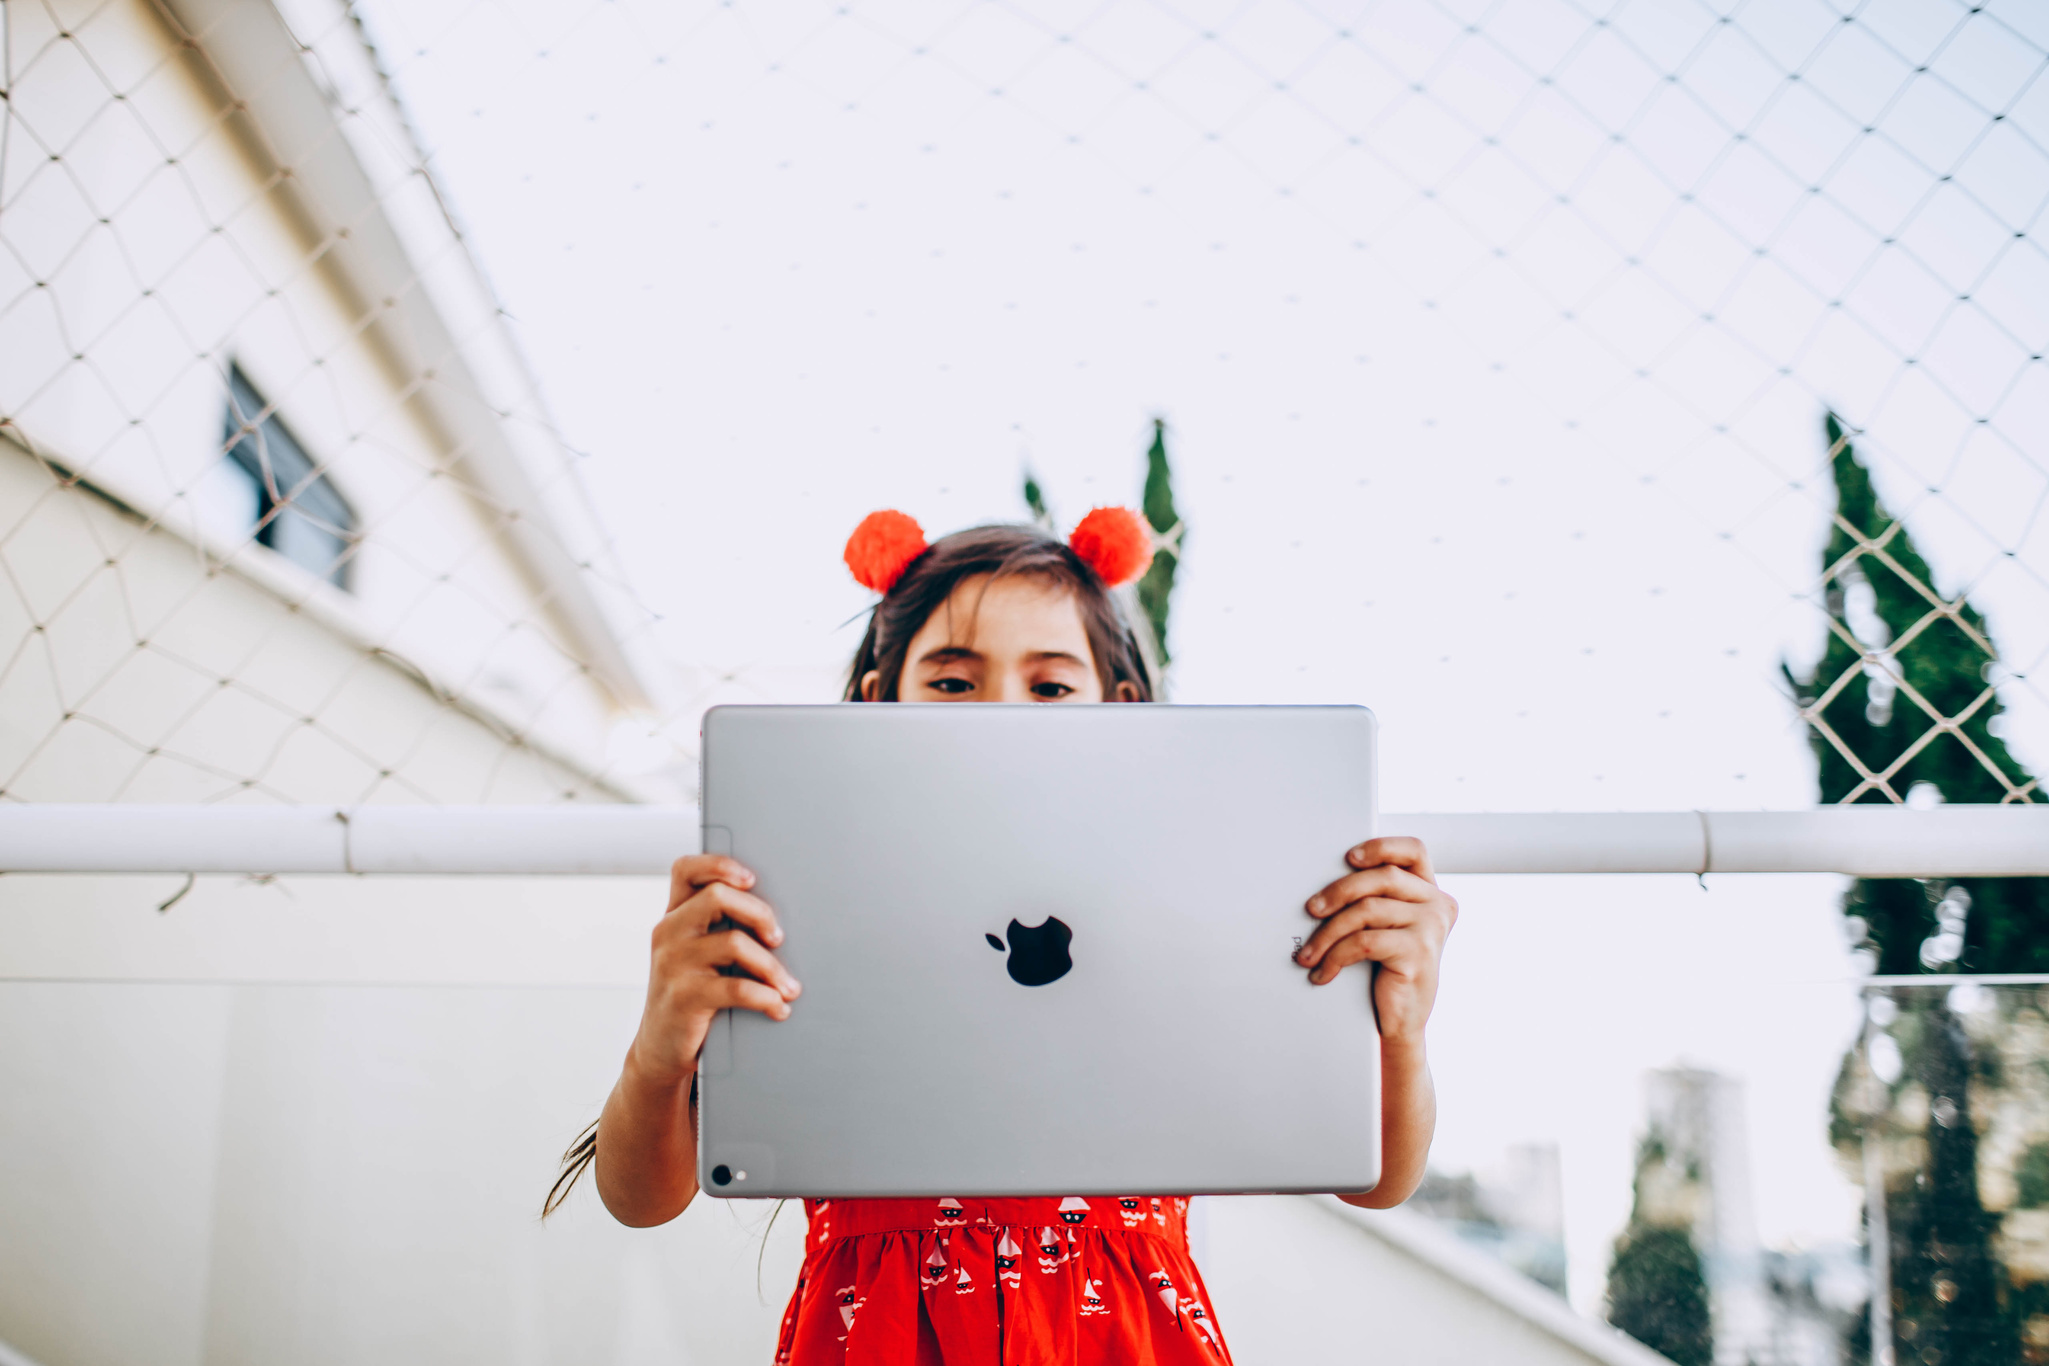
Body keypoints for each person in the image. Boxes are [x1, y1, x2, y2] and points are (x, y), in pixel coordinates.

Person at [555, 507, 1458, 1364]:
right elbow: (640, 1199)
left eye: (1051, 684)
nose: (1001, 712)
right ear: (878, 700)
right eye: (952, 680)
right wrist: (661, 1047)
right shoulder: (793, 902)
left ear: (1121, 703)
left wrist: (1398, 1027)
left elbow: (1375, 1177)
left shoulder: (1191, 917)